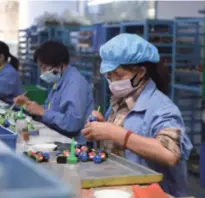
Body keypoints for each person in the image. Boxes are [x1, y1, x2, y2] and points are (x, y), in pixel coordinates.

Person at [81, 33, 192, 197]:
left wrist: (115, 133)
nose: (112, 81)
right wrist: (102, 128)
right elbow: (124, 133)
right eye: (109, 75)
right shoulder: (120, 101)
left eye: (117, 75)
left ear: (140, 72)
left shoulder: (162, 107)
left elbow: (169, 154)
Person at [14, 41, 94, 143]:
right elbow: (52, 109)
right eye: (40, 68)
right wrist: (28, 105)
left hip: (74, 145)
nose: (42, 73)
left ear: (59, 65)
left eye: (44, 68)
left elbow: (72, 124)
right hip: (59, 137)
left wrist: (42, 112)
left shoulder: (75, 84)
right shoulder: (61, 80)